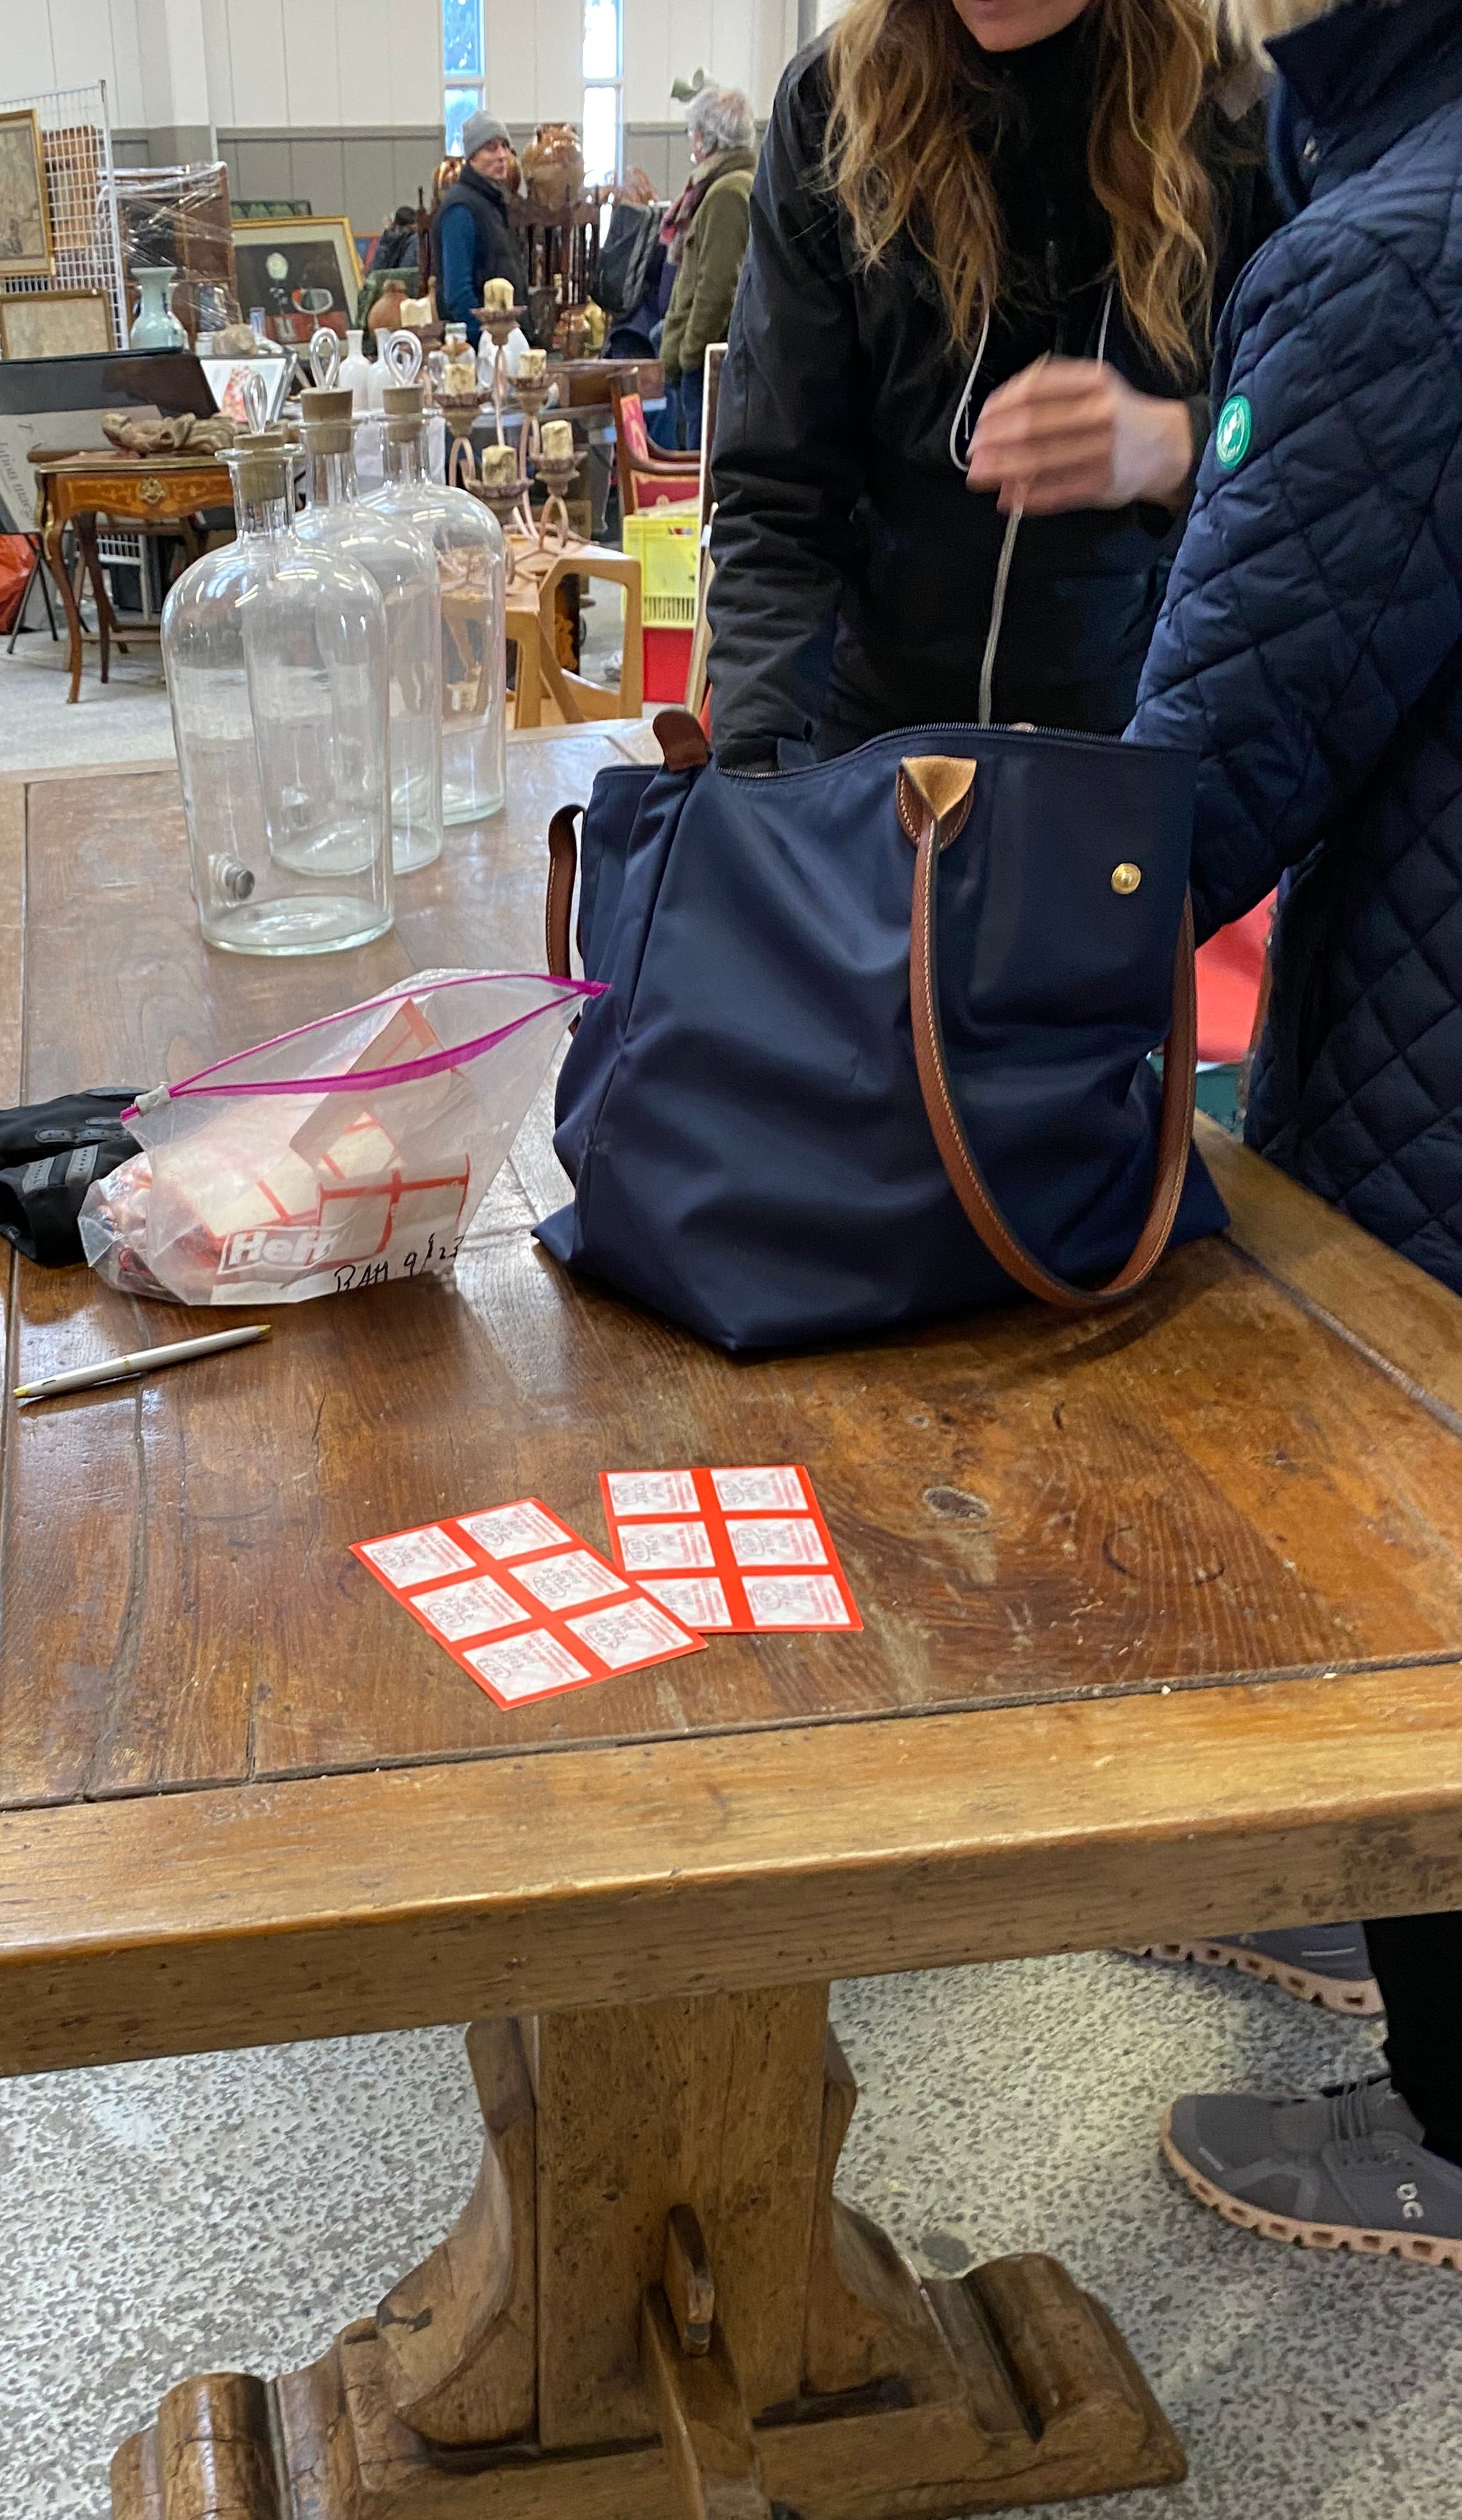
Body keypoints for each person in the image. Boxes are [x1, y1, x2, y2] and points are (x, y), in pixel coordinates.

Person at [1126, 0, 1462, 2265]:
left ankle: (1447, 2118)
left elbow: (1213, 776)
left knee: (1427, 1562)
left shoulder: (1388, 254)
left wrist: (924, 937)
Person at [702, 0, 1277, 770]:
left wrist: (1184, 446)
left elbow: (1324, 452)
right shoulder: (833, 101)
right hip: (870, 749)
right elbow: (778, 493)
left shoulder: (1233, 107)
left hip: (1117, 746)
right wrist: (758, 765)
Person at [659, 86, 755, 451]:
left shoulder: (726, 193)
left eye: (692, 132)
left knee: (698, 470)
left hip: (704, 368)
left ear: (705, 138)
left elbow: (716, 288)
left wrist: (689, 354)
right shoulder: (728, 185)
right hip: (705, 361)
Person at [430, 113, 527, 345]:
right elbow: (458, 292)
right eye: (491, 148)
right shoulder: (461, 210)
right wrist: (488, 340)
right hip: (480, 350)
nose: (502, 155)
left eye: (505, 146)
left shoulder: (492, 205)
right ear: (472, 156)